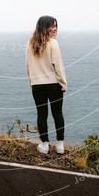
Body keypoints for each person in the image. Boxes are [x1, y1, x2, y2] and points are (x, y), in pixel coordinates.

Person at [25, 15, 67, 154]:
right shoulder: (53, 43)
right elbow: (58, 66)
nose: (55, 29)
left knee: (41, 115)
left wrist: (31, 82)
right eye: (52, 26)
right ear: (44, 27)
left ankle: (44, 145)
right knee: (57, 114)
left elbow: (28, 66)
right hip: (54, 85)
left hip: (37, 86)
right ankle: (60, 144)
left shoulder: (30, 43)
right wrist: (63, 83)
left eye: (56, 26)